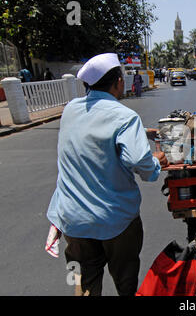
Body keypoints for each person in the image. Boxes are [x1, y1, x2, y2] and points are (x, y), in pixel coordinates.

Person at [46, 53, 168, 296]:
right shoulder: (125, 117)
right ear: (119, 82)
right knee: (125, 279)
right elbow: (137, 161)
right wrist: (156, 163)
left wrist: (142, 132)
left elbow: (93, 126)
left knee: (87, 281)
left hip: (74, 219)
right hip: (116, 221)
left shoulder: (70, 110)